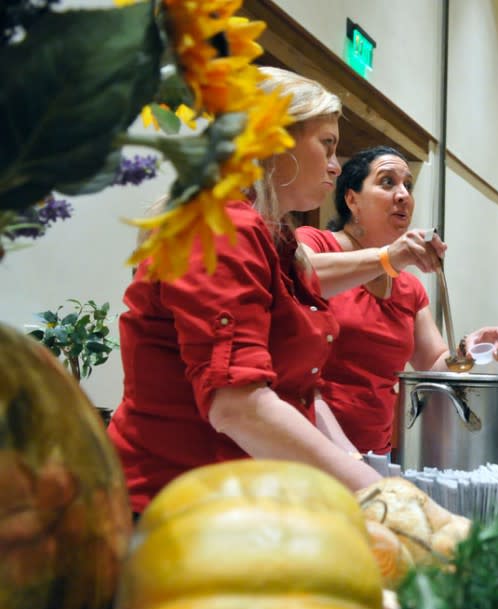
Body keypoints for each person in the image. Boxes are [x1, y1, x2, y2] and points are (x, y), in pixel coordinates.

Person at [109, 67, 382, 514]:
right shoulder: (219, 225)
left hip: (229, 504)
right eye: (326, 145)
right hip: (169, 509)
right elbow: (236, 406)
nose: (336, 165)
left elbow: (301, 394)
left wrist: (363, 475)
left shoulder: (273, 238)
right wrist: (375, 495)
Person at [295, 146, 498, 456]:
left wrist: (468, 349)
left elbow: (432, 365)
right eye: (387, 182)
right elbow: (306, 274)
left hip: (376, 453)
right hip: (311, 445)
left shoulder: (408, 288)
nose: (403, 195)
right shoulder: (315, 243)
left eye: (408, 185)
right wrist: (388, 257)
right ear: (351, 199)